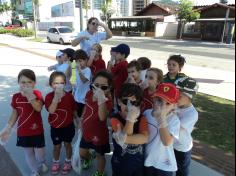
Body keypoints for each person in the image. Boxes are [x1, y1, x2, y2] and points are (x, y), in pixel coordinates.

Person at [0, 69, 48, 176]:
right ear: (18, 83)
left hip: (36, 130)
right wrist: (8, 128)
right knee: (29, 153)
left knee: (40, 153)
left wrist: (29, 95)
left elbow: (38, 108)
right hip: (23, 131)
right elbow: (15, 114)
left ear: (34, 83)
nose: (26, 84)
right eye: (23, 82)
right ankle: (34, 171)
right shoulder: (16, 97)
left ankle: (42, 162)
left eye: (29, 82)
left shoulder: (37, 94)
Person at [80, 70, 113, 176]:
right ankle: (89, 158)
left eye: (103, 87)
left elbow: (102, 117)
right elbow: (86, 107)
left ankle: (100, 172)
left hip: (99, 134)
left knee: (100, 155)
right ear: (92, 84)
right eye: (96, 85)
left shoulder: (108, 101)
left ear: (109, 89)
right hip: (86, 131)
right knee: (82, 152)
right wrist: (81, 119)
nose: (98, 89)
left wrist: (101, 100)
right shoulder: (89, 93)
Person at [111, 83, 149, 176]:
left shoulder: (142, 118)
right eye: (126, 101)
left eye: (134, 103)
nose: (130, 106)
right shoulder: (115, 119)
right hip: (120, 163)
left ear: (139, 105)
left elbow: (144, 138)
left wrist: (124, 138)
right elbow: (127, 135)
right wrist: (131, 119)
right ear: (119, 101)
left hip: (138, 164)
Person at [144, 83, 180, 176]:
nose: (162, 106)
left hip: (163, 164)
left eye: (167, 103)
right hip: (147, 159)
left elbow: (167, 142)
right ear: (153, 99)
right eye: (159, 100)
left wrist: (161, 120)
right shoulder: (146, 114)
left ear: (174, 106)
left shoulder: (173, 120)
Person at [45, 71, 77, 175]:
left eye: (61, 83)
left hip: (68, 126)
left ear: (65, 84)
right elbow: (51, 111)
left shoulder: (69, 97)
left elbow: (74, 110)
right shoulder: (49, 97)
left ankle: (68, 161)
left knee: (68, 144)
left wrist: (78, 121)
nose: (59, 86)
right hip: (56, 127)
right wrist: (56, 98)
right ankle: (56, 162)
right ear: (51, 85)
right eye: (55, 83)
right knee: (57, 146)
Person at [174, 77, 199, 176]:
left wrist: (170, 112)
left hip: (182, 147)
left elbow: (175, 127)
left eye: (179, 96)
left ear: (189, 97)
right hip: (172, 144)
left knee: (182, 171)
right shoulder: (176, 105)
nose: (176, 98)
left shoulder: (192, 114)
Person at [73, 49, 92, 118]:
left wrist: (80, 70)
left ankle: (81, 127)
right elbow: (74, 81)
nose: (78, 63)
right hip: (76, 97)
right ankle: (78, 126)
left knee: (83, 116)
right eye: (76, 61)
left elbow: (84, 80)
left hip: (84, 98)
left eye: (80, 61)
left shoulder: (87, 70)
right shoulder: (76, 69)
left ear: (86, 60)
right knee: (76, 114)